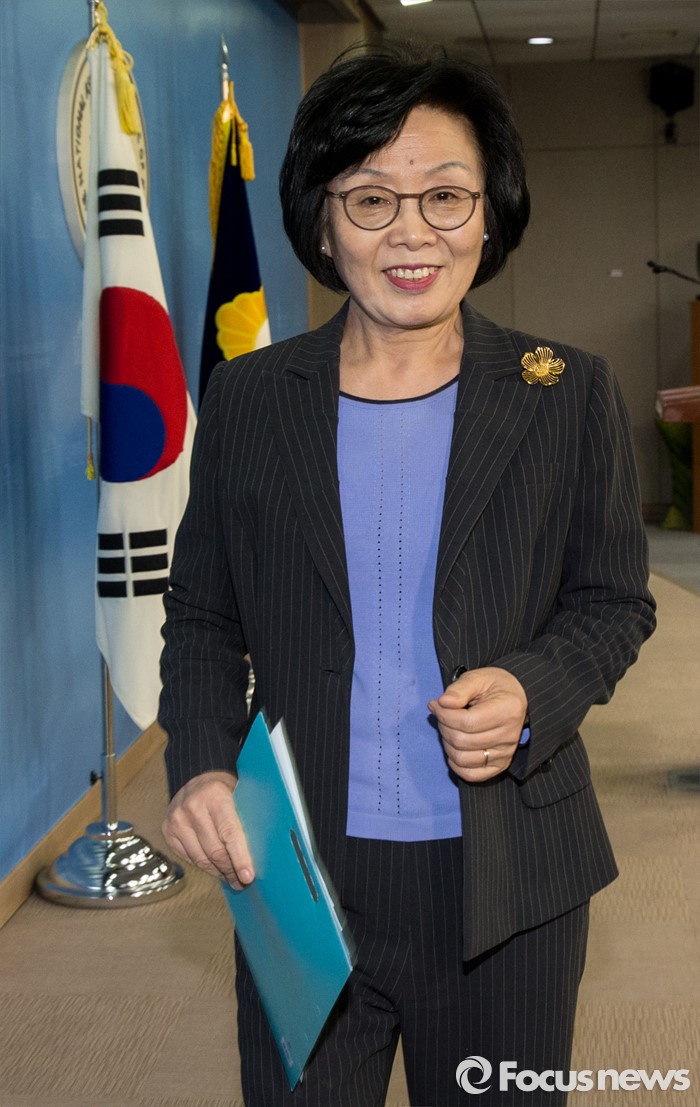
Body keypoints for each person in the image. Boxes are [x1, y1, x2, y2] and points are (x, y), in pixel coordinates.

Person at [159, 42, 656, 1107]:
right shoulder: (250, 399)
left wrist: (532, 688)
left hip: (509, 876)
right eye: (371, 198)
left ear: (489, 214)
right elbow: (202, 612)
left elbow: (612, 601)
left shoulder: (565, 393)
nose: (413, 232)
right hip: (299, 871)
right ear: (322, 223)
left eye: (445, 195)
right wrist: (199, 762)